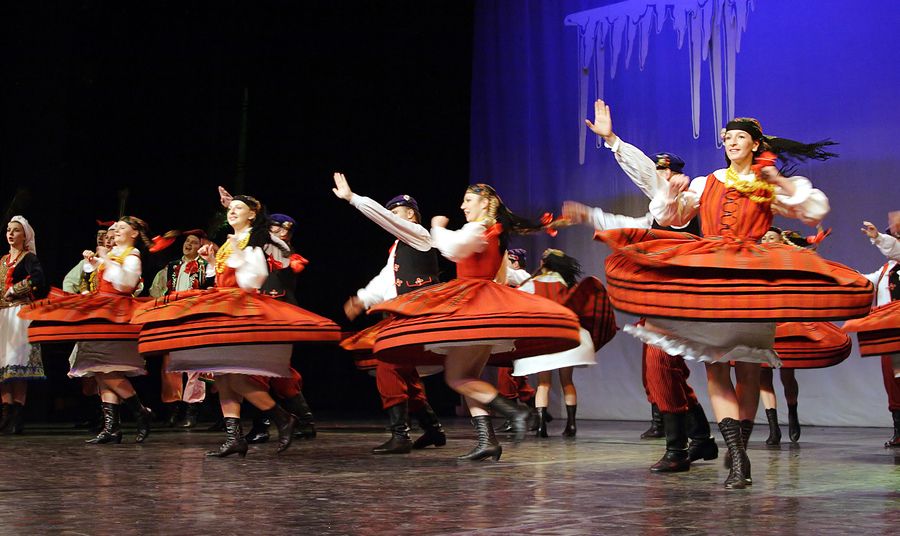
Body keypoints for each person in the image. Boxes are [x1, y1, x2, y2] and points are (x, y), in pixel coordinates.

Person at [593, 114, 871, 488]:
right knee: (716, 368)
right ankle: (738, 456)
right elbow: (671, 216)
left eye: (740, 137)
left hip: (752, 280)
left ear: (755, 144)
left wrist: (777, 180)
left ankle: (740, 444)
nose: (733, 142)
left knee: (750, 369)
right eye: (728, 138)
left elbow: (813, 210)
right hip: (713, 279)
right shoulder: (706, 182)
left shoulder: (766, 182)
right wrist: (671, 191)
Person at [368, 183, 582, 461]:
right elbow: (502, 278)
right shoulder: (496, 233)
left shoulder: (478, 228)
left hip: (473, 307)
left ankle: (514, 412)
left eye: (468, 200)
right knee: (468, 377)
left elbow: (452, 249)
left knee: (457, 377)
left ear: (485, 202)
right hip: (483, 307)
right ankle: (487, 440)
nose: (463, 206)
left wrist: (437, 227)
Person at [564, 99, 718, 473]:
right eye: (659, 171)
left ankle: (677, 449)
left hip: (682, 299)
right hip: (660, 298)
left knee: (659, 365)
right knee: (665, 370)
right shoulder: (658, 213)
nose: (661, 177)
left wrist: (614, 142)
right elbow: (628, 224)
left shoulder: (688, 206)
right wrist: (589, 215)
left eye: (666, 172)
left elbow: (649, 180)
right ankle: (700, 439)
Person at [131, 193, 340, 457]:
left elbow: (255, 278)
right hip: (223, 303)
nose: (232, 211)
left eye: (238, 208)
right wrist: (212, 262)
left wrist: (239, 255)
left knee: (237, 377)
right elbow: (224, 276)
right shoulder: (234, 241)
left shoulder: (253, 240)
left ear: (252, 214)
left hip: (241, 308)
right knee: (222, 375)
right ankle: (235, 437)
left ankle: (282, 417)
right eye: (230, 208)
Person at [333, 173, 446, 455]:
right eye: (391, 212)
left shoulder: (420, 235)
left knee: (387, 363)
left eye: (397, 212)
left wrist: (353, 198)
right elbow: (386, 279)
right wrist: (362, 299)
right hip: (402, 314)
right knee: (404, 371)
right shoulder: (399, 247)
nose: (392, 217)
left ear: (411, 214)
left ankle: (400, 435)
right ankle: (432, 429)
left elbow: (384, 219)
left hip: (417, 313)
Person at [22, 217, 156, 444]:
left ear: (134, 233)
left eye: (122, 228)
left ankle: (140, 411)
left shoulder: (132, 256)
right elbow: (102, 280)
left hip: (116, 316)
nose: (116, 231)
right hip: (101, 313)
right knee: (99, 369)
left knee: (107, 368)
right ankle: (111, 427)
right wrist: (96, 263)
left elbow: (125, 284)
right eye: (116, 228)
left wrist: (106, 260)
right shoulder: (114, 254)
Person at [758, 228, 851, 445]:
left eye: (771, 238)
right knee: (762, 374)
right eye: (763, 238)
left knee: (787, 374)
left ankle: (792, 413)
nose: (766, 241)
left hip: (787, 320)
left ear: (782, 241)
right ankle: (773, 428)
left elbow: (809, 263)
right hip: (763, 320)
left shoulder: (790, 261)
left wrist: (811, 243)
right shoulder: (756, 263)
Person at [511, 249, 609, 438]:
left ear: (544, 264)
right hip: (567, 337)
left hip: (544, 337)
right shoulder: (569, 284)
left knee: (543, 383)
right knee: (567, 381)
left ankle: (542, 427)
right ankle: (571, 425)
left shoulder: (532, 284)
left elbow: (515, 298)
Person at [244, 213, 317, 443]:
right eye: (277, 228)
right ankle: (303, 421)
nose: (283, 233)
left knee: (265, 370)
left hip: (278, 318)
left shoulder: (284, 251)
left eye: (287, 230)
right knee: (273, 371)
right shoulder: (258, 248)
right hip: (257, 315)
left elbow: (279, 254)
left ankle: (263, 425)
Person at [843, 217, 900, 448]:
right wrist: (840, 274)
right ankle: (899, 431)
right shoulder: (886, 269)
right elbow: (864, 281)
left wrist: (877, 238)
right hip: (890, 332)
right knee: (893, 380)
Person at [148, 230, 211, 428]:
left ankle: (192, 409)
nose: (188, 244)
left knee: (195, 364)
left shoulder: (206, 266)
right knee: (170, 364)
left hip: (195, 318)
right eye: (187, 241)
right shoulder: (172, 266)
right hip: (173, 318)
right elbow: (156, 290)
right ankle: (172, 409)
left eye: (194, 242)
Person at [0, 216, 49, 434]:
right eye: (8, 230)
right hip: (2, 316)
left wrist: (15, 289)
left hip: (20, 314)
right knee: (2, 365)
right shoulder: (3, 260)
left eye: (16, 230)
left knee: (17, 363)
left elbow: (38, 279)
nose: (11, 234)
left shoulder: (28, 258)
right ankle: (6, 412)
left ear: (25, 235)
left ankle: (17, 415)